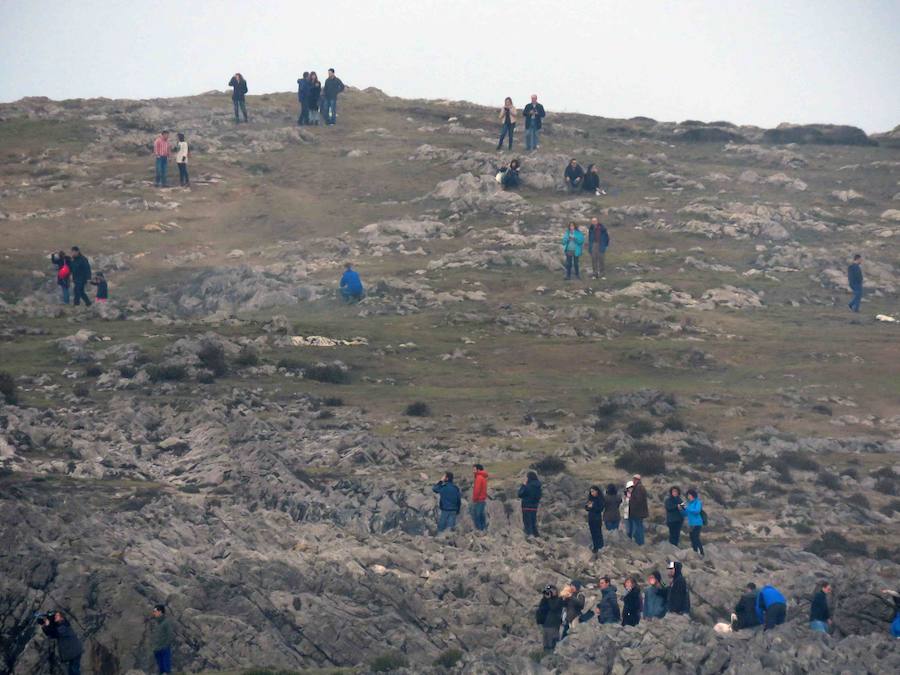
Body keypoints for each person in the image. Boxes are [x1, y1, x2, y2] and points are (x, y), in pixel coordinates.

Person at [39, 611, 83, 675]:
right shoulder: (61, 624)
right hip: (73, 651)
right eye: (55, 616)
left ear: (62, 618)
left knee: (74, 671)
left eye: (57, 615)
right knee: (73, 670)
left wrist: (47, 625)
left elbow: (55, 633)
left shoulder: (63, 625)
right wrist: (45, 625)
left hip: (74, 652)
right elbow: (51, 634)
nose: (55, 617)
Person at [535, 585, 564, 652]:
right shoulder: (545, 600)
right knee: (546, 644)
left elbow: (553, 607)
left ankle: (551, 658)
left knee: (552, 645)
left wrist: (549, 598)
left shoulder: (559, 599)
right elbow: (541, 609)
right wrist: (545, 598)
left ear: (556, 591)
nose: (549, 592)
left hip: (553, 625)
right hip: (546, 624)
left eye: (552, 591)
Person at [150, 604, 174, 674]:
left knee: (166, 669)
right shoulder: (157, 623)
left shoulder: (166, 622)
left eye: (155, 611)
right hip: (157, 649)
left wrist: (165, 646)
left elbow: (170, 635)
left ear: (160, 611)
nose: (153, 613)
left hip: (164, 649)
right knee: (161, 670)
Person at [518, 471, 542, 537]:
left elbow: (520, 494)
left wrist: (523, 485)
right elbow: (539, 496)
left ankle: (530, 535)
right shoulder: (538, 486)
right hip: (534, 507)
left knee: (527, 522)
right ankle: (536, 535)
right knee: (533, 522)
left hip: (526, 506)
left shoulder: (528, 486)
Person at [628, 474, 649, 546]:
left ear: (638, 480)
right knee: (639, 526)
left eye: (635, 479)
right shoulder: (639, 487)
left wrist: (631, 500)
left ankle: (640, 542)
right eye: (633, 479)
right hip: (640, 512)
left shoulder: (638, 488)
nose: (633, 481)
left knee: (638, 527)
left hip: (638, 512)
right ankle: (640, 542)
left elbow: (638, 500)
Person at [683, 488, 705, 557]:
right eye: (688, 495)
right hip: (691, 523)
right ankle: (695, 551)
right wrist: (682, 508)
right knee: (692, 538)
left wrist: (687, 508)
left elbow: (697, 511)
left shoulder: (697, 502)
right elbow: (686, 513)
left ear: (693, 495)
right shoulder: (689, 503)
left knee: (696, 537)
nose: (689, 497)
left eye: (690, 495)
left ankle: (701, 552)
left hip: (697, 523)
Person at [585, 485, 604, 554]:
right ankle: (595, 547)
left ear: (597, 491)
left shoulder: (600, 499)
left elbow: (600, 509)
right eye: (591, 492)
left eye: (593, 491)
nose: (592, 493)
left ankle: (600, 546)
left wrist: (593, 506)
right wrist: (588, 506)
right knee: (593, 533)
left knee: (598, 533)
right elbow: (586, 508)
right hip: (591, 518)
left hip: (597, 519)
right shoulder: (591, 499)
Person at [470, 464, 488, 531]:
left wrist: (474, 499)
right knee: (481, 514)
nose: (473, 471)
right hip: (482, 499)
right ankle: (483, 528)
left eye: (474, 469)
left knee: (477, 515)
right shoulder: (482, 477)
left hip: (479, 499)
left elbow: (477, 490)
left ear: (478, 470)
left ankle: (480, 529)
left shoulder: (479, 478)